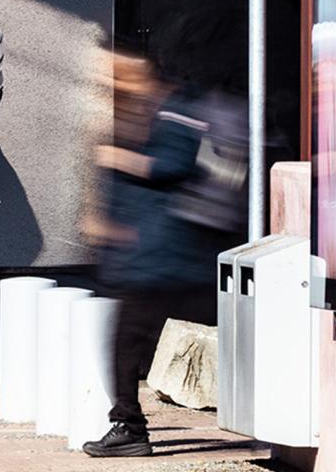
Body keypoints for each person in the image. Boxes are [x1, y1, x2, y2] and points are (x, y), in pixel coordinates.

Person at [81, 50, 247, 460]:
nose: (107, 81)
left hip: (165, 254)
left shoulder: (174, 110)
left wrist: (117, 157)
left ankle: (129, 428)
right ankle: (128, 425)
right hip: (153, 254)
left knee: (125, 342)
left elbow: (174, 164)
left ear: (140, 68)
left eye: (114, 72)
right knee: (129, 340)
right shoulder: (146, 110)